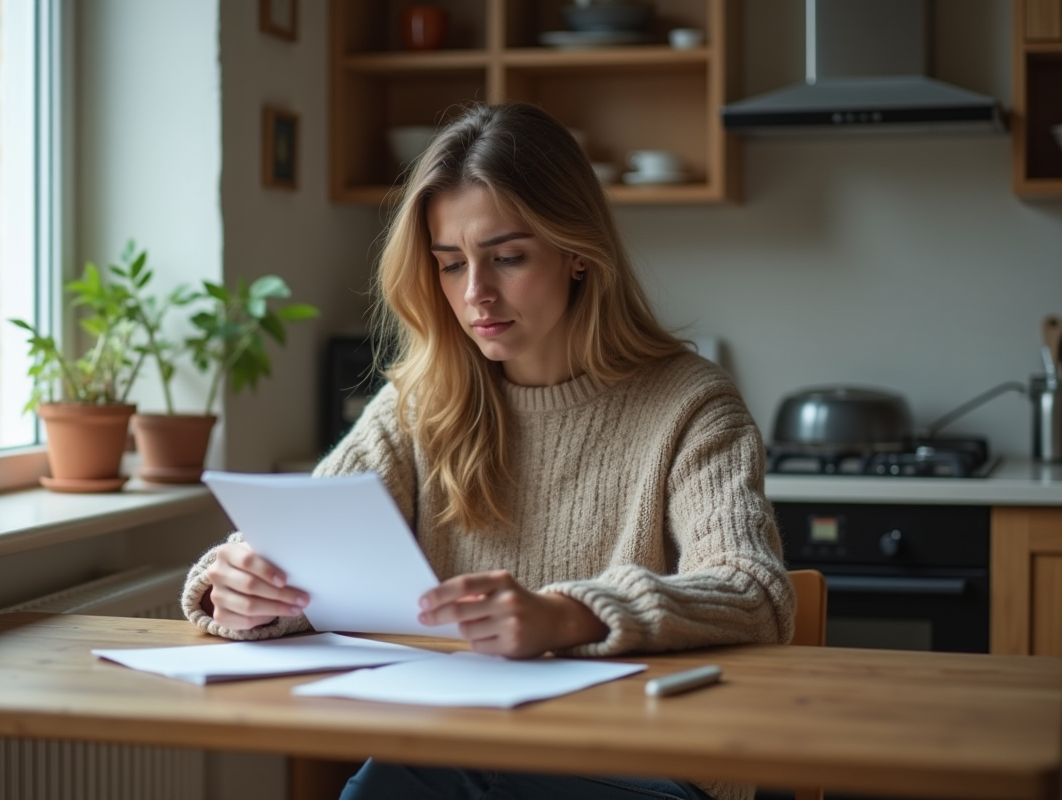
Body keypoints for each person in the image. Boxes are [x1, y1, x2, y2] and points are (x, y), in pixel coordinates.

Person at [180, 101, 795, 800]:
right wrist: (241, 589)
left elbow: (755, 592)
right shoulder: (421, 402)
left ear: (578, 256)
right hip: (460, 749)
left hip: (642, 765)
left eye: (507, 257)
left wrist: (567, 615)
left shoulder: (691, 403)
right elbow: (310, 547)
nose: (476, 294)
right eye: (449, 265)